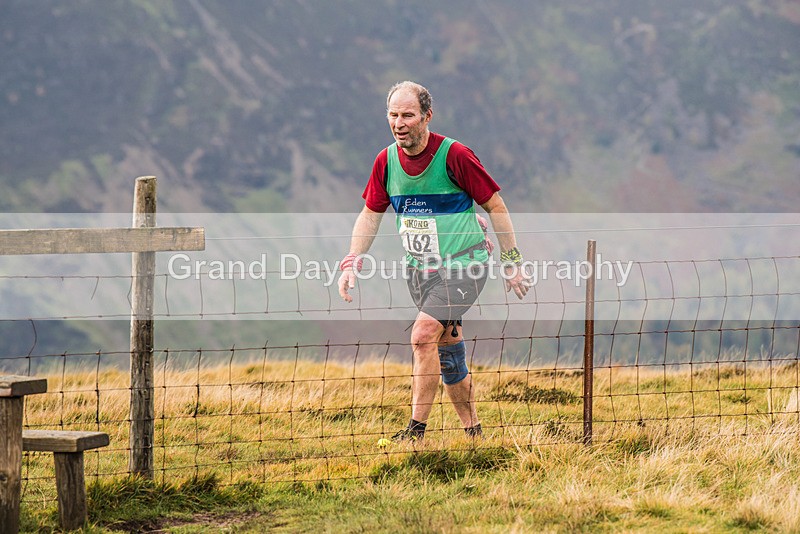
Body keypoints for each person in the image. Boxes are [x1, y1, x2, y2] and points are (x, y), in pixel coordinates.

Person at [338, 81, 529, 442]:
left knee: (423, 335)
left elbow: (496, 206)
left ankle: (415, 432)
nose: (399, 123)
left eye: (408, 115)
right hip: (420, 271)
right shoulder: (386, 161)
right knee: (448, 350)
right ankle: (475, 434)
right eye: (393, 115)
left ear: (427, 116)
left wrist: (512, 260)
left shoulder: (455, 155)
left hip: (465, 266)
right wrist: (352, 261)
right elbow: (370, 214)